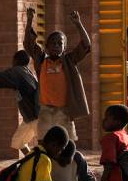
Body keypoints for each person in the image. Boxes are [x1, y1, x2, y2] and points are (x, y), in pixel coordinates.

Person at [24, 8, 92, 141]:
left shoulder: (69, 60)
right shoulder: (41, 59)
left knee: (67, 143)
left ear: (64, 47)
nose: (56, 45)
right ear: (47, 47)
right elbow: (29, 44)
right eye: (52, 43)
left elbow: (86, 44)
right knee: (43, 142)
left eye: (59, 43)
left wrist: (78, 23)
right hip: (45, 110)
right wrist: (29, 20)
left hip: (64, 111)